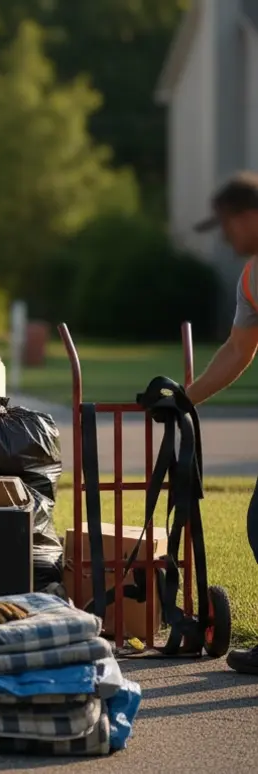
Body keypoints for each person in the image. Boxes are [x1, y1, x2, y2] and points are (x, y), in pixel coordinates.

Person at [184, 171, 258, 674]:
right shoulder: (252, 276)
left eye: (228, 225)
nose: (226, 237)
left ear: (248, 216)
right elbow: (238, 350)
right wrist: (184, 399)